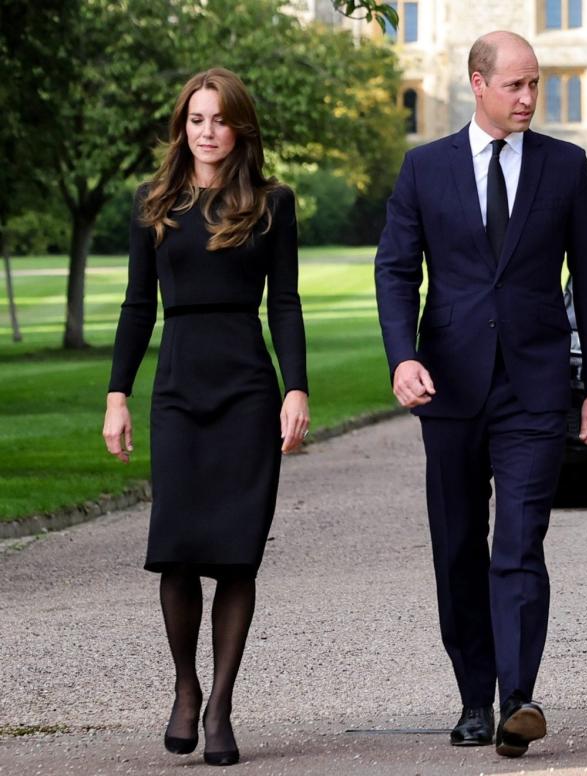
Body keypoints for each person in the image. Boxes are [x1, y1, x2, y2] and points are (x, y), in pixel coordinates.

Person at [373, 31, 587, 758]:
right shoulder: (424, 169)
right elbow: (394, 272)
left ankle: (519, 698)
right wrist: (402, 357)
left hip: (536, 389)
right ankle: (473, 699)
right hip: (448, 387)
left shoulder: (565, 167)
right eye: (515, 85)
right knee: (456, 548)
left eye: (535, 84)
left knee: (519, 542)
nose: (529, 98)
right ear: (477, 84)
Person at [102, 68, 308, 767]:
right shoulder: (154, 202)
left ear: (239, 127)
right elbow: (137, 307)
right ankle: (186, 688)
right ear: (182, 126)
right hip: (179, 388)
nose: (207, 131)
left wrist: (296, 388)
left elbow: (285, 303)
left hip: (247, 387)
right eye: (196, 119)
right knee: (180, 547)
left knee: (235, 553)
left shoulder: (272, 204)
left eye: (219, 119)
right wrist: (116, 394)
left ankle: (220, 705)